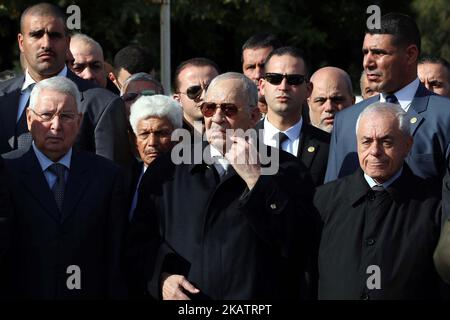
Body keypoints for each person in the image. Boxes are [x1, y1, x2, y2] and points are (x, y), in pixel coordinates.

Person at [128, 72, 315, 300]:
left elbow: (300, 242)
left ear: (254, 115)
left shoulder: (287, 169)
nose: (217, 118)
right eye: (209, 108)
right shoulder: (168, 171)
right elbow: (140, 242)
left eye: (229, 109)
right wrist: (161, 278)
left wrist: (257, 179)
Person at [4, 76, 127, 299]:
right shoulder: (5, 172)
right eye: (47, 115)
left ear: (79, 122)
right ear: (30, 119)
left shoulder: (107, 176)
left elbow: (115, 255)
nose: (56, 125)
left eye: (66, 116)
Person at [315, 102, 444, 299]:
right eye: (366, 141)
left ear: (407, 145)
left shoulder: (433, 205)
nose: (375, 151)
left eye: (386, 142)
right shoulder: (323, 200)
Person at [0, 2, 133, 170]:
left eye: (55, 35)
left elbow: (112, 182)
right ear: (21, 42)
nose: (46, 44)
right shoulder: (3, 96)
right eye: (36, 34)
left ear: (67, 42)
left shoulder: (102, 104)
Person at [325, 13, 450, 182]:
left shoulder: (445, 116)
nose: (367, 63)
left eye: (378, 53)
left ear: (410, 55)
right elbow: (334, 198)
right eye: (365, 52)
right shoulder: (346, 121)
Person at [258, 46, 330, 186]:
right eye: (274, 78)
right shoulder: (242, 141)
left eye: (294, 80)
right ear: (262, 86)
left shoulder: (328, 146)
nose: (283, 86)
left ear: (308, 89)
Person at [128, 94, 182, 220]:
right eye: (144, 134)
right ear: (135, 140)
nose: (152, 142)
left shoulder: (190, 180)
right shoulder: (124, 178)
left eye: (161, 133)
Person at [172, 57, 220, 135]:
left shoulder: (236, 132)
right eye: (194, 91)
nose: (204, 96)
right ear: (177, 99)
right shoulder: (168, 137)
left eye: (211, 88)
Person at [241, 32, 281, 115]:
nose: (257, 75)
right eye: (251, 67)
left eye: (264, 66)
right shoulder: (233, 120)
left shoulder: (307, 115)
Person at [307, 66, 355, 133]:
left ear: (352, 102)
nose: (329, 108)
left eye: (337, 99)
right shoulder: (295, 141)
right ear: (309, 104)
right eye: (321, 100)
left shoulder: (370, 140)